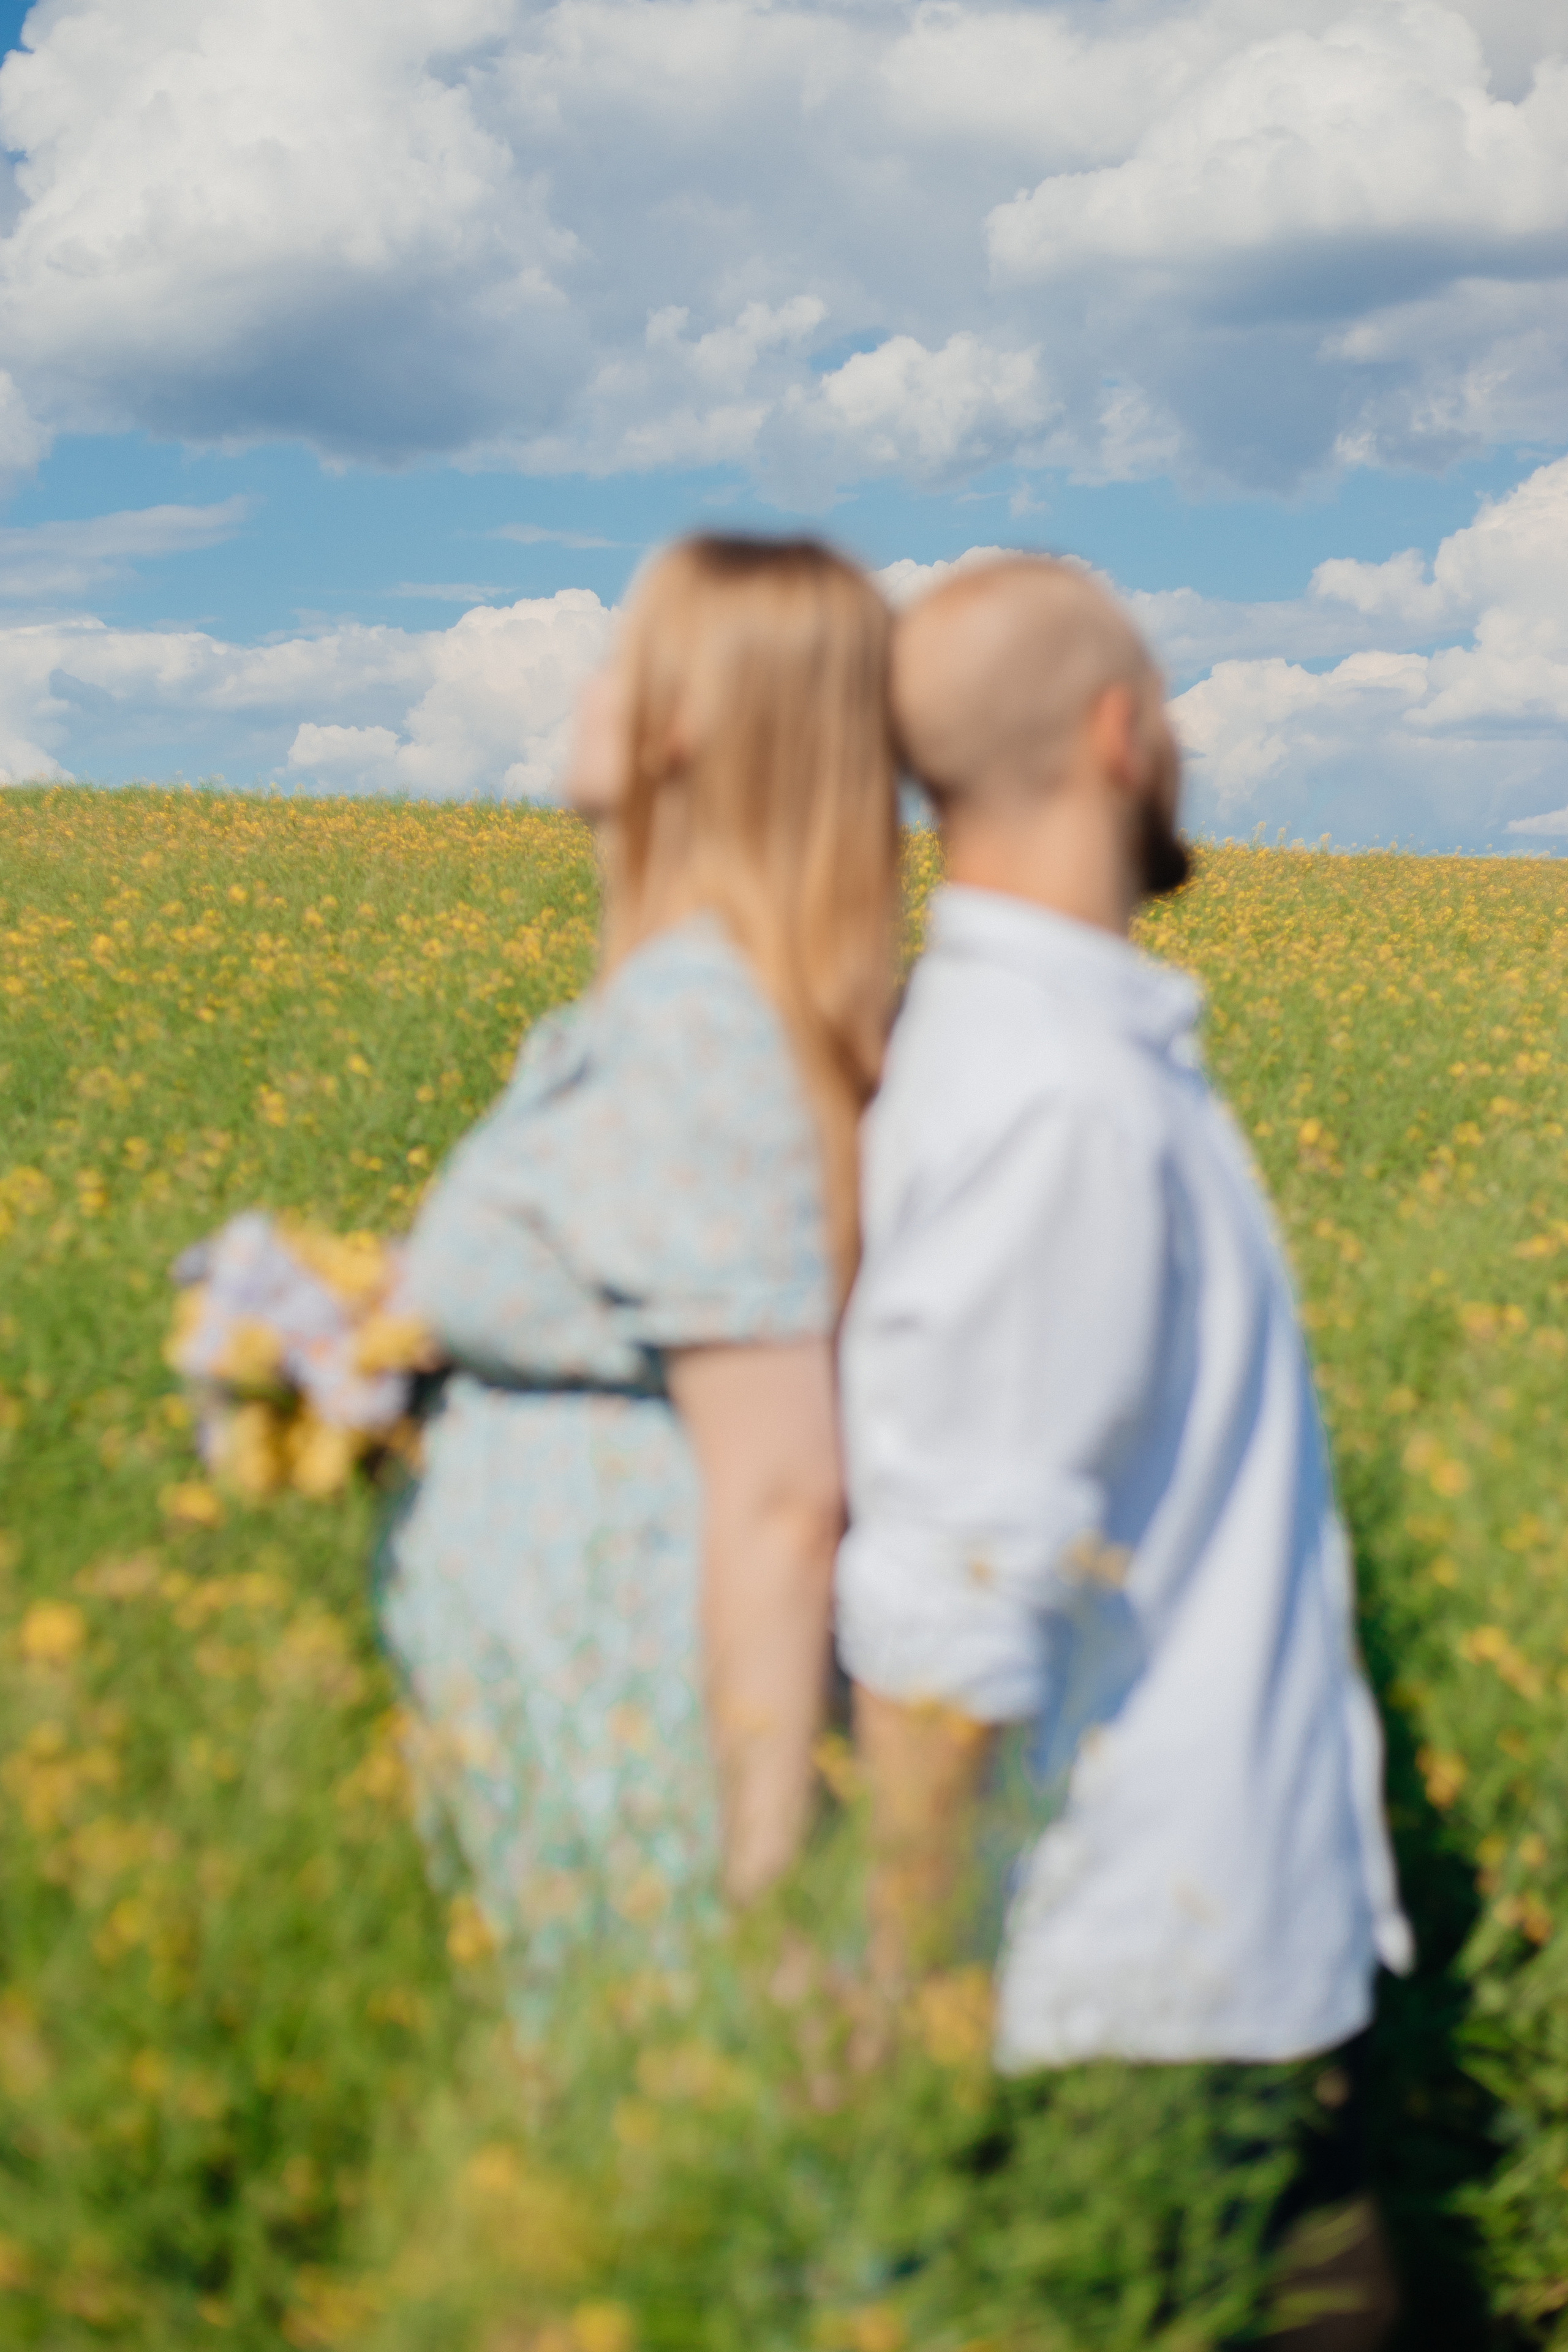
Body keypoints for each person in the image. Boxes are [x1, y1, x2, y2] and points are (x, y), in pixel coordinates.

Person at [834, 556, 1411, 2343]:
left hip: (1205, 1973)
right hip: (1139, 2002)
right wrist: (893, 2002)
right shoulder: (1055, 1099)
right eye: (1166, 711)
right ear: (1117, 734)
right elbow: (959, 1581)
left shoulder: (1075, 1059)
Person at [380, 535, 898, 2015]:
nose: (583, 687)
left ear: (685, 723)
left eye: (619, 656)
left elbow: (783, 1491)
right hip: (580, 1760)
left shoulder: (701, 1031)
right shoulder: (688, 1006)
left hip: (648, 1783)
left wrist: (762, 1892)